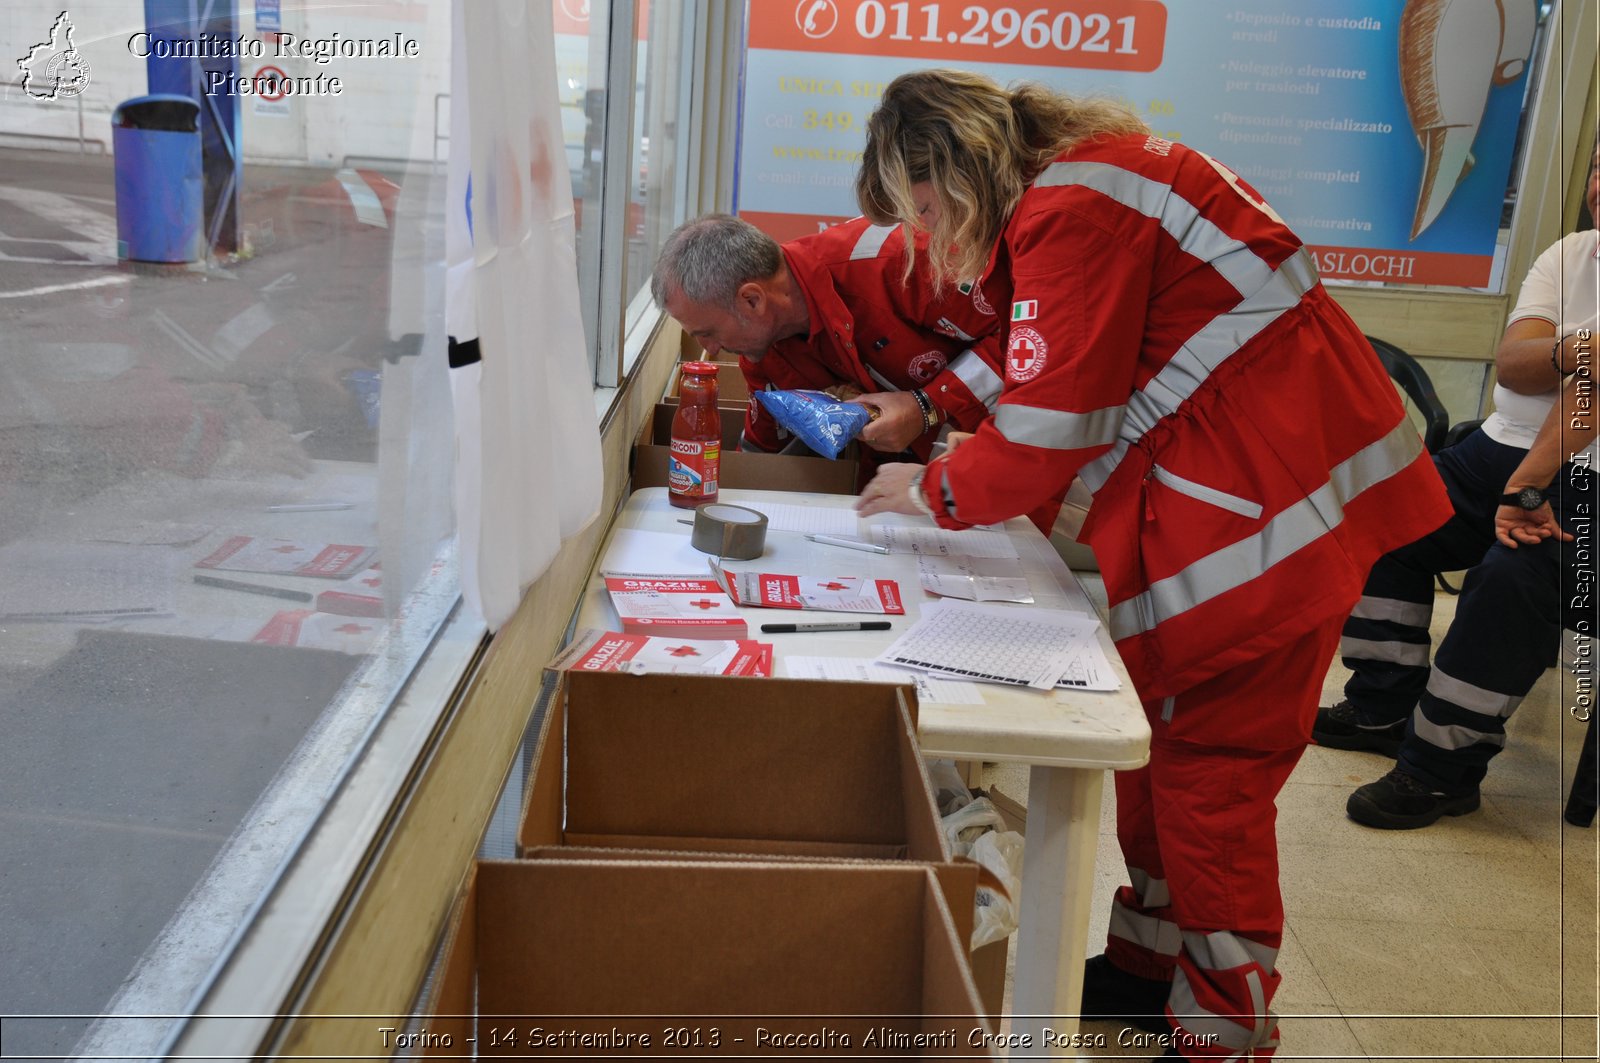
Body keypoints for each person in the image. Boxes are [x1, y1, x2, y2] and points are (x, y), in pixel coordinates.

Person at [850, 69, 1452, 1058]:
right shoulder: (1087, 181)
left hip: (1261, 517)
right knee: (1165, 754)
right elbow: (1051, 345)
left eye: (921, 212)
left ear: (952, 172)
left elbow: (1049, 423)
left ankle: (1224, 1021)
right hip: (1257, 495)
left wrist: (930, 491)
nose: (929, 242)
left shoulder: (1077, 204)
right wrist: (932, 410)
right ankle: (1147, 963)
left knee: (1212, 774)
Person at [1317, 148, 1600, 830]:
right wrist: (1579, 348)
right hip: (1501, 447)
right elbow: (1515, 365)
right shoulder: (1573, 254)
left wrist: (1531, 478)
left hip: (1587, 480)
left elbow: (1586, 393)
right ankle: (1384, 704)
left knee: (1512, 578)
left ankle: (1440, 768)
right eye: (1598, 166)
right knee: (1385, 509)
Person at [649, 213, 1007, 473]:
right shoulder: (762, 355)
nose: (710, 350)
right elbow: (758, 452)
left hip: (1020, 465)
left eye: (707, 333)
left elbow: (1026, 339)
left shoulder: (900, 262)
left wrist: (925, 406)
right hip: (922, 499)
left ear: (752, 301)